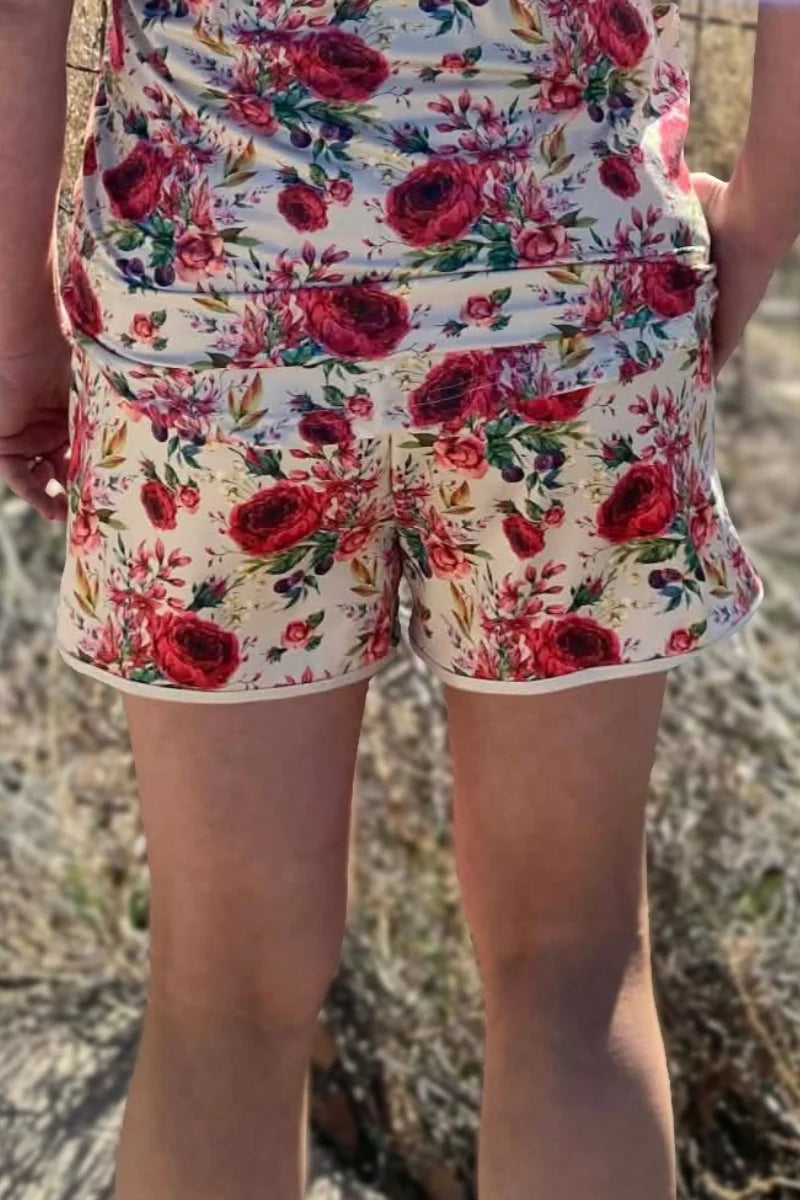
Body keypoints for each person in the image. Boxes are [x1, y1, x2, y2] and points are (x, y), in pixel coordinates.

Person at [0, 0, 797, 1196]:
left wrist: (20, 337)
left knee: (223, 992)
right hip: (572, 308)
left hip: (212, 335)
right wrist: (759, 228)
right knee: (571, 969)